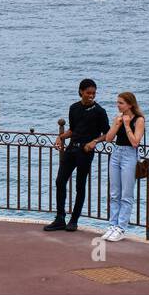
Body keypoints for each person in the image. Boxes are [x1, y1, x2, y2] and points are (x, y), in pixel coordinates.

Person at [44, 79, 109, 232]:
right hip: (71, 149)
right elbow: (73, 130)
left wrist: (95, 141)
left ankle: (74, 220)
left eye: (93, 93)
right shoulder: (73, 108)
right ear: (81, 91)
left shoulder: (100, 111)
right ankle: (60, 218)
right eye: (88, 93)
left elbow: (107, 134)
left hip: (85, 152)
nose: (91, 96)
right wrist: (60, 137)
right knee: (60, 181)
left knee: (80, 186)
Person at [102, 92, 145, 241]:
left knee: (126, 194)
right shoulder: (118, 118)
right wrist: (117, 124)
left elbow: (135, 142)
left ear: (130, 104)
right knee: (114, 193)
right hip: (116, 153)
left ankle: (121, 227)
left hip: (129, 155)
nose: (118, 105)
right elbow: (108, 139)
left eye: (121, 103)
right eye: (117, 102)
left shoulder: (139, 120)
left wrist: (127, 125)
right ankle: (112, 225)